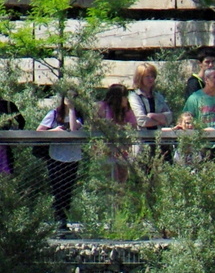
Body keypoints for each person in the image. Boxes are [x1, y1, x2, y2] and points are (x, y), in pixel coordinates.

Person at [36, 90, 85, 232]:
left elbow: (74, 129)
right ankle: (58, 222)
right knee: (57, 190)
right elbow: (39, 131)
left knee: (67, 191)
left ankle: (63, 221)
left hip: (73, 157)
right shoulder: (53, 114)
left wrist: (71, 110)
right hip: (56, 157)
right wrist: (55, 131)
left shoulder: (78, 116)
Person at [96, 83, 138, 183]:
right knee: (106, 181)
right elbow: (99, 125)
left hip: (122, 150)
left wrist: (117, 126)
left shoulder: (126, 109)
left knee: (121, 180)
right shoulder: (102, 107)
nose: (126, 99)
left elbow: (133, 125)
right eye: (124, 96)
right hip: (105, 151)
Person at [0, 97, 24, 176]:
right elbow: (21, 122)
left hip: (4, 146)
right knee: (5, 172)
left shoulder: (8, 105)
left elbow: (21, 122)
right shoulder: (8, 105)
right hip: (4, 144)